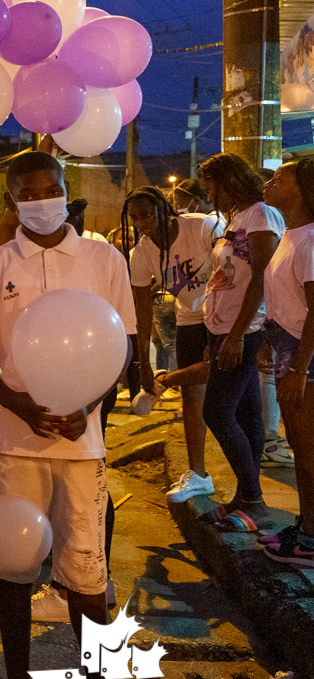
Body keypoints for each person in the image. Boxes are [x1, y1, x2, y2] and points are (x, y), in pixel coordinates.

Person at [0, 151, 157, 679]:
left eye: (53, 188)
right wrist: (16, 401)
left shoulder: (104, 259)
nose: (42, 197)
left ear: (67, 192)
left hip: (81, 445)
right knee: (16, 571)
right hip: (11, 442)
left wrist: (89, 404)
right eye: (28, 191)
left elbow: (120, 343)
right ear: (11, 199)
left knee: (88, 578)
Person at [197, 152, 284, 531]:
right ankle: (247, 497)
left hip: (245, 330)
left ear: (226, 181)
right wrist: (215, 332)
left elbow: (262, 278)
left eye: (210, 187)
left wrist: (234, 336)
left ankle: (253, 501)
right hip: (227, 329)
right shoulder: (239, 217)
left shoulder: (260, 215)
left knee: (216, 412)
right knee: (247, 415)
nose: (208, 196)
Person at [120, 186, 220, 505]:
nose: (140, 223)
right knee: (193, 397)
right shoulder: (142, 254)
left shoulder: (201, 225)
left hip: (222, 314)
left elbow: (237, 266)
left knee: (217, 379)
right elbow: (141, 309)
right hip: (189, 317)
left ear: (164, 208)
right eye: (134, 218)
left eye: (146, 214)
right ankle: (198, 474)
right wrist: (143, 363)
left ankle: (165, 381)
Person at [259, 158, 314, 565]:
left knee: (309, 449)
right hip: (287, 348)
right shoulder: (293, 236)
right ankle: (307, 528)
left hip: (303, 354)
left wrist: (299, 368)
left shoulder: (310, 240)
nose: (270, 183)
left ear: (302, 190)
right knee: (299, 444)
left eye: (279, 179)